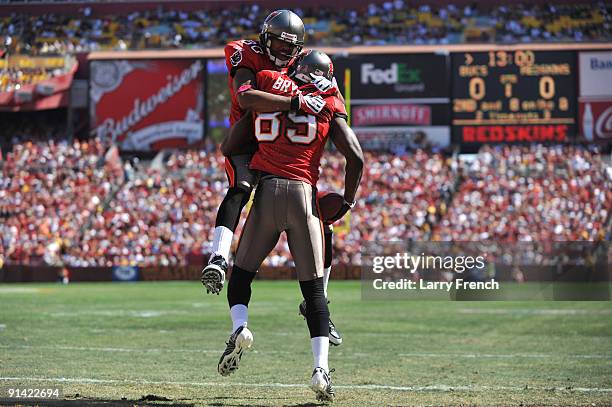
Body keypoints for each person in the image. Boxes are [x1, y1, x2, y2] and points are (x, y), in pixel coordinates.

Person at [216, 50, 364, 402]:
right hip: (303, 196)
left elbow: (230, 144)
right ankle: (320, 370)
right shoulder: (328, 102)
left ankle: (241, 327)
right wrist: (346, 200)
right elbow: (355, 156)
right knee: (314, 292)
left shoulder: (268, 84)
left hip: (267, 192)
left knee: (240, 277)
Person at [201, 9, 344, 346]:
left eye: (289, 45)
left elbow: (325, 91)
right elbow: (246, 97)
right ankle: (219, 256)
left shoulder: (303, 65)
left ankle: (321, 303)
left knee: (322, 223)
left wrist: (331, 88)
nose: (283, 50)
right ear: (265, 37)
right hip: (249, 135)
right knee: (240, 186)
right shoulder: (249, 57)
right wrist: (300, 100)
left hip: (281, 151)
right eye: (278, 42)